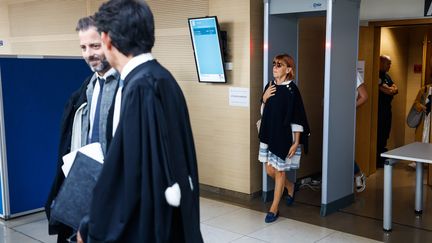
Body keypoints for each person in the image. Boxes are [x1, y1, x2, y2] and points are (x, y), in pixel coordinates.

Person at [77, 0, 202, 242]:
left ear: (108, 41)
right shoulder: (164, 79)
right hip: (172, 215)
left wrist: (90, 225)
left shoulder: (138, 88)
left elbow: (127, 172)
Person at [45, 16, 119, 243]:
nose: (88, 54)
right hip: (86, 184)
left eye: (95, 46)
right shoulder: (86, 89)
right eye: (83, 47)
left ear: (110, 42)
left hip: (117, 190)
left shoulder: (131, 88)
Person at [258, 54, 310, 223]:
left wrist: (296, 142)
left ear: (288, 70)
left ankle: (274, 208)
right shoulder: (270, 86)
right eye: (274, 64)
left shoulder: (291, 91)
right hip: (269, 133)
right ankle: (290, 186)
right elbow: (264, 113)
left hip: (285, 137)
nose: (275, 67)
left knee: (279, 171)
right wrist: (264, 99)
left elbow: (297, 118)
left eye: (279, 65)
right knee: (269, 170)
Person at [376, 55, 398, 168]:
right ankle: (377, 159)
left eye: (390, 63)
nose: (389, 66)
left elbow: (395, 88)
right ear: (381, 62)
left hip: (387, 110)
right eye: (387, 63)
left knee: (385, 132)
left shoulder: (387, 77)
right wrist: (390, 89)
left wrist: (390, 89)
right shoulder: (376, 75)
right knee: (378, 133)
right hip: (378, 111)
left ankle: (382, 155)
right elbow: (386, 90)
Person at [354, 72, 368, 192]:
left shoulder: (353, 72)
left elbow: (364, 96)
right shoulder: (331, 68)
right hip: (330, 114)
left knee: (344, 149)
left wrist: (350, 107)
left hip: (346, 117)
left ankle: (358, 173)